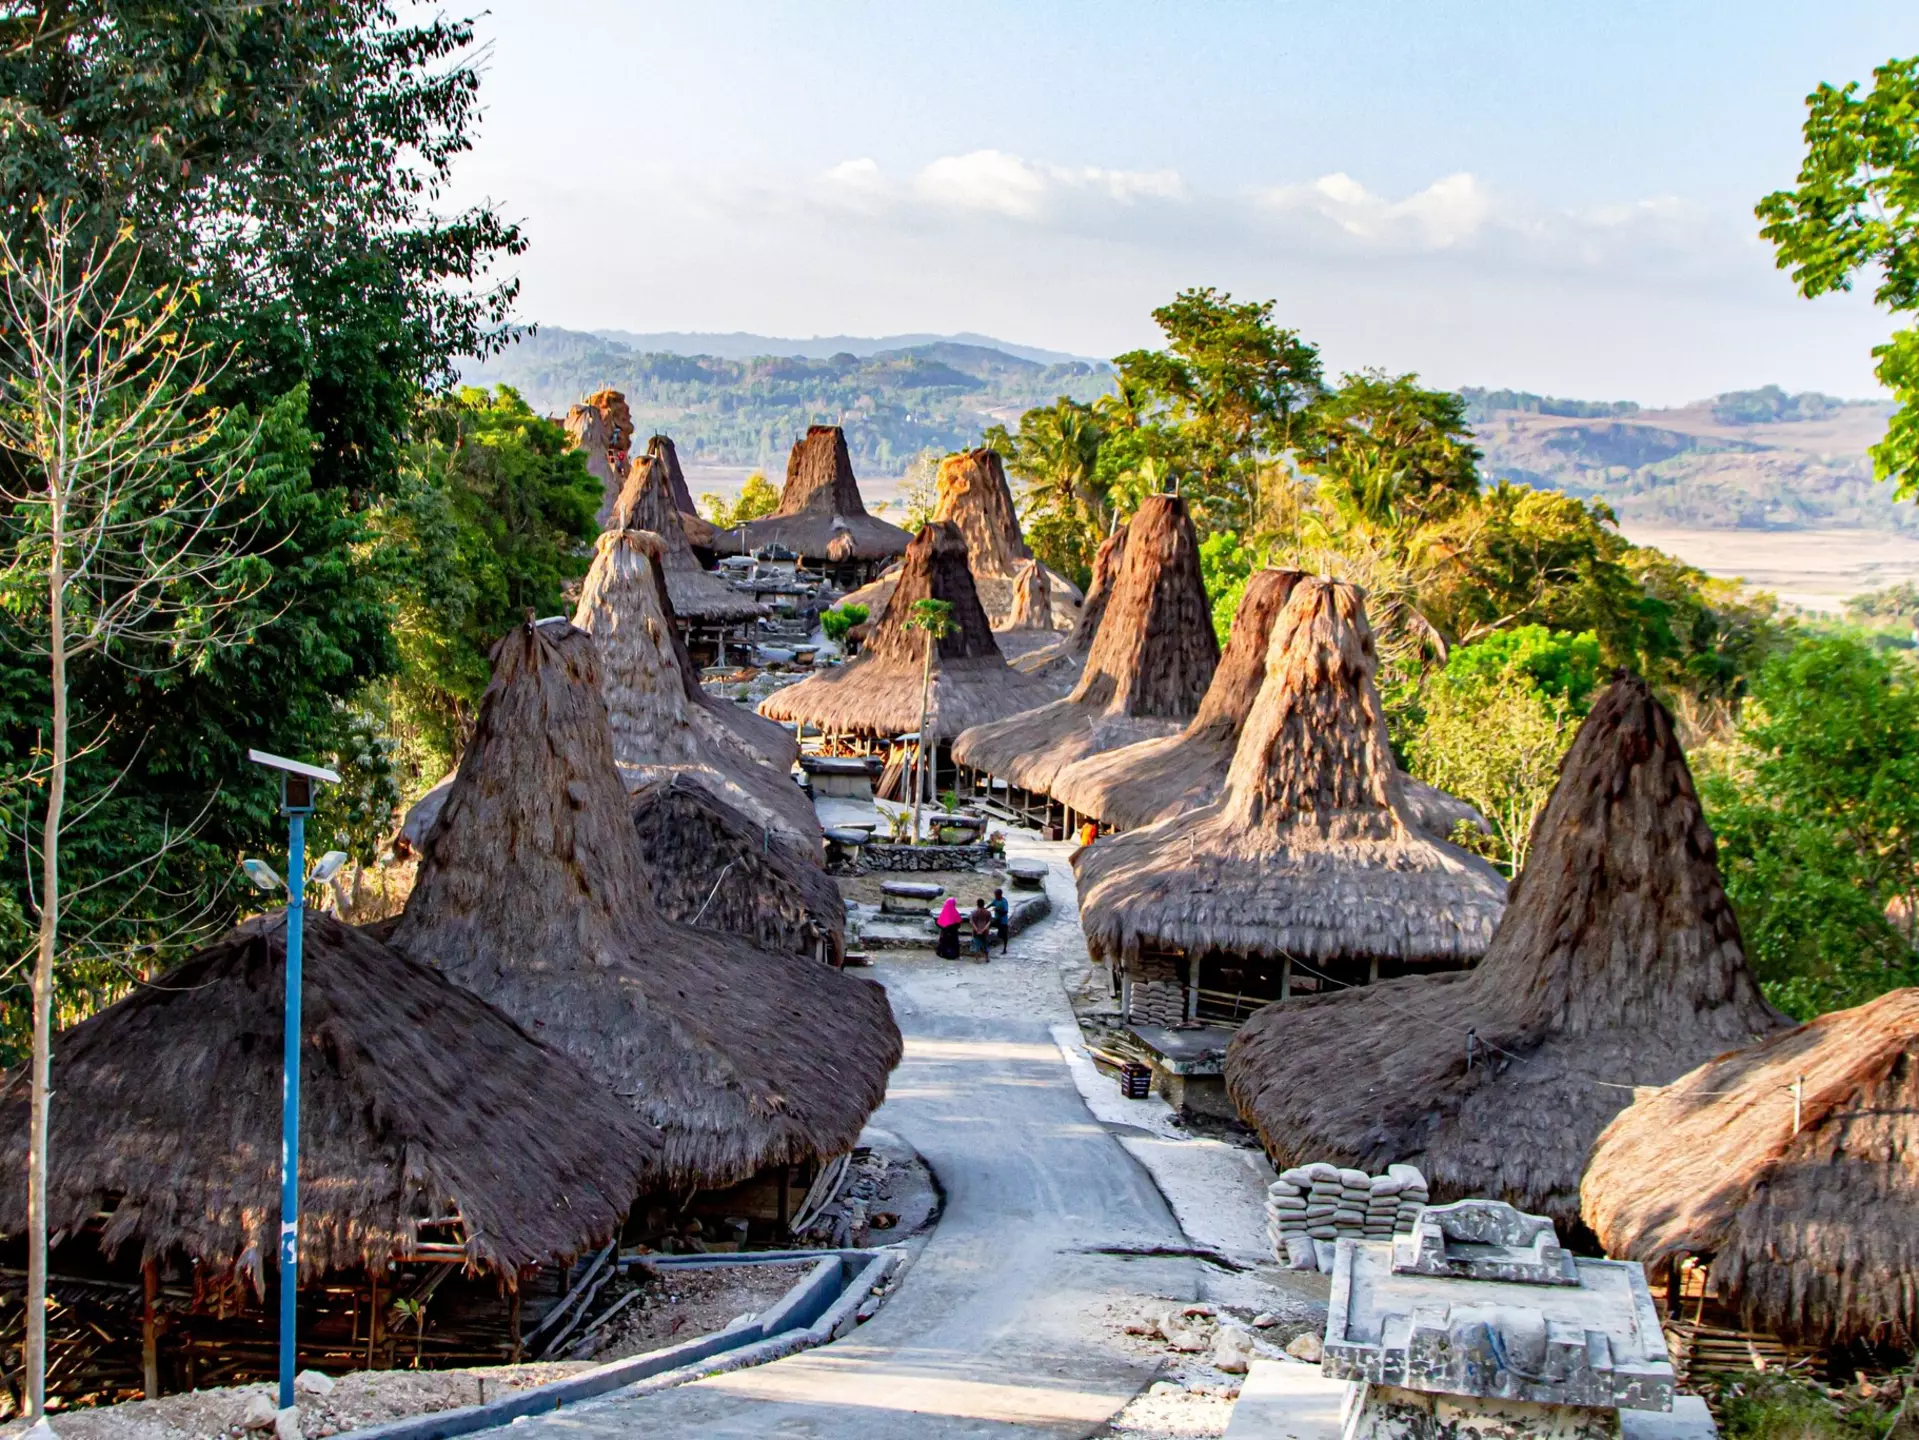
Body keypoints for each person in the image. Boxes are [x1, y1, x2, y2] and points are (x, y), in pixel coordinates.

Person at [990, 888, 1011, 952]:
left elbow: (1006, 911)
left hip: (1003, 921)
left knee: (1004, 935)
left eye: (996, 894)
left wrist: (998, 911)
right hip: (997, 919)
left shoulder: (1004, 901)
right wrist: (984, 908)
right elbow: (991, 904)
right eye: (995, 894)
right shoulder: (996, 900)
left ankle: (1004, 949)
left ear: (1000, 895)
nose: (995, 896)